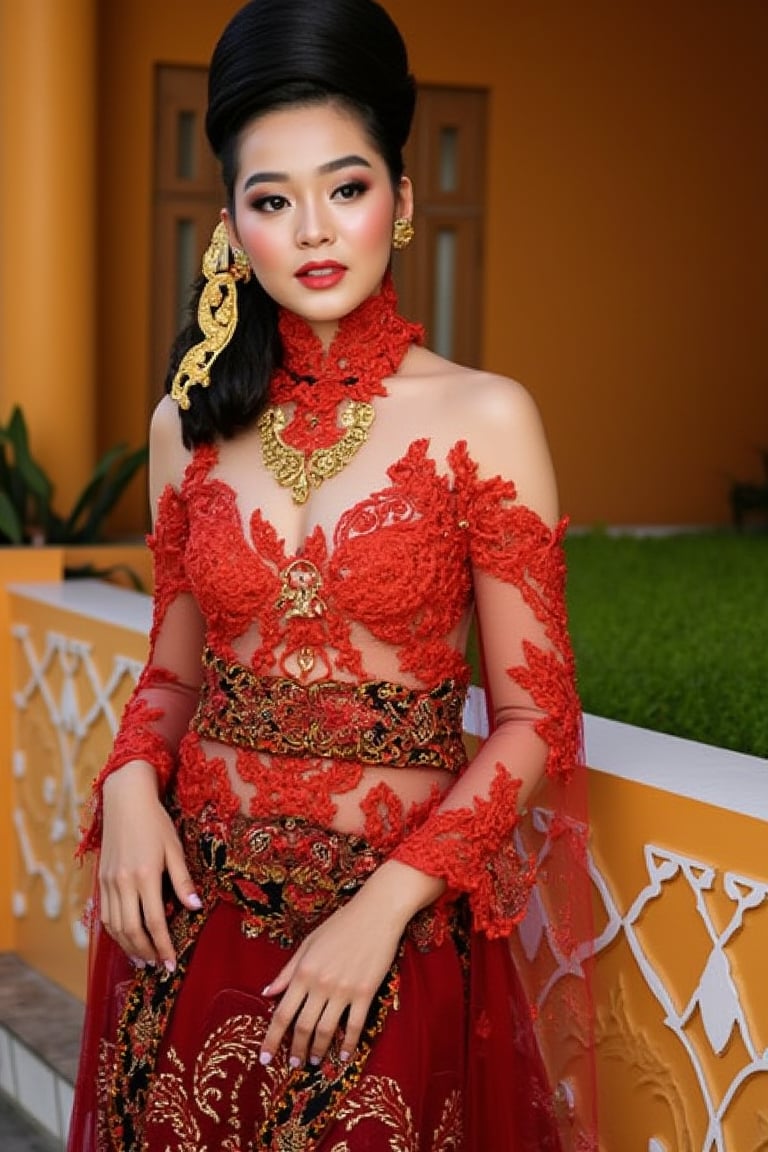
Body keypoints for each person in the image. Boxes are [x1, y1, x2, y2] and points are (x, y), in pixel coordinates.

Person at [68, 1, 597, 1148]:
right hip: (188, 920)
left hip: (387, 939)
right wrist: (124, 788)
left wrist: (385, 910)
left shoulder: (484, 416)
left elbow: (535, 719)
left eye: (346, 188)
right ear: (231, 226)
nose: (313, 228)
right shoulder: (188, 427)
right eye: (273, 200)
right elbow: (172, 677)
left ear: (400, 204)